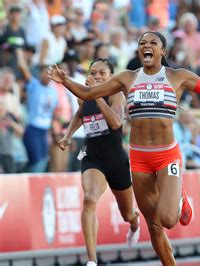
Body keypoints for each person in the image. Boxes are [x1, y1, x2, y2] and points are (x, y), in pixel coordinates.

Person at [49, 31, 200, 266]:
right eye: (142, 43)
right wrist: (64, 80)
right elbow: (87, 93)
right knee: (155, 227)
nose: (146, 46)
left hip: (166, 156)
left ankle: (179, 197)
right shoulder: (126, 78)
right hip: (139, 159)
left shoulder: (178, 77)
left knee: (168, 219)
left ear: (163, 52)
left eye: (152, 43)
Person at [57, 58, 140, 266]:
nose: (97, 77)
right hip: (93, 158)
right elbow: (79, 114)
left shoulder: (116, 94)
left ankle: (134, 223)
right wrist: (68, 135)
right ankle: (92, 260)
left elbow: (115, 122)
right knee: (89, 199)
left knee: (127, 213)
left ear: (111, 77)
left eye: (102, 73)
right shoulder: (83, 96)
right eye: (93, 73)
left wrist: (98, 95)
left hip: (117, 161)